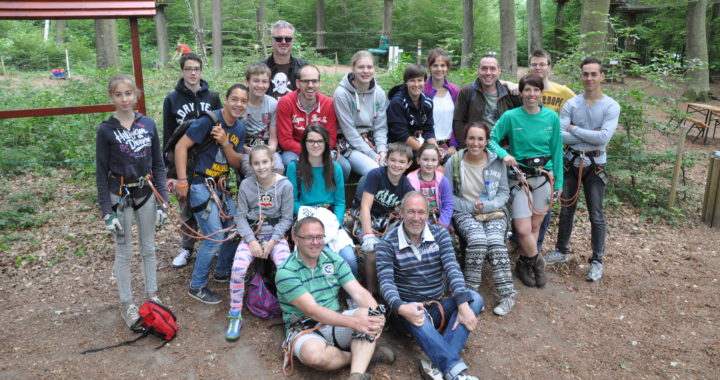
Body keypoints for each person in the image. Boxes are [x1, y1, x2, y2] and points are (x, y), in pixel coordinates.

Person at [376, 192, 483, 380]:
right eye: (410, 212)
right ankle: (454, 372)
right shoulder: (387, 243)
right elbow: (386, 282)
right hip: (407, 310)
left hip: (436, 304)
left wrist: (462, 304)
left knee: (474, 299)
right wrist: (401, 307)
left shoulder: (440, 234)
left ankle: (435, 365)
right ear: (401, 212)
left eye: (421, 212)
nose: (416, 218)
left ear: (428, 214)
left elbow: (452, 268)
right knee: (417, 313)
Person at [275, 217, 396, 380]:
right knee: (315, 357)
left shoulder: (333, 259)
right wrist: (354, 323)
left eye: (319, 237)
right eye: (309, 237)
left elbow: (359, 292)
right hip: (304, 328)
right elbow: (313, 311)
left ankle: (356, 375)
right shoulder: (286, 272)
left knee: (368, 315)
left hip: (335, 321)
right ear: (296, 238)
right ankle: (363, 356)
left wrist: (376, 314)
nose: (316, 242)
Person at [96, 74, 169, 327]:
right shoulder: (106, 130)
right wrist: (108, 212)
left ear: (136, 95)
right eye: (118, 94)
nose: (124, 99)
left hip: (146, 194)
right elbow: (101, 173)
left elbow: (159, 164)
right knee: (124, 252)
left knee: (148, 248)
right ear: (111, 97)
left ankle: (152, 296)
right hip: (120, 197)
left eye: (128, 93)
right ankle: (127, 304)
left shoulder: (147, 124)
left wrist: (164, 203)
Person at [546, 57, 620, 283]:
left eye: (593, 74)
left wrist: (574, 129)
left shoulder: (610, 106)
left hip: (596, 165)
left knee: (596, 214)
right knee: (567, 208)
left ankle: (597, 260)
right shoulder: (571, 104)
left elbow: (603, 138)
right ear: (581, 76)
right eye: (585, 74)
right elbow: (560, 134)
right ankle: (561, 249)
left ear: (602, 76)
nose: (589, 78)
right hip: (571, 162)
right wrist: (591, 134)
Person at [174, 84, 248, 304]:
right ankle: (196, 286)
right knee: (214, 236)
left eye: (243, 101)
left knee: (235, 229)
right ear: (225, 100)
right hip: (199, 183)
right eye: (234, 99)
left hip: (222, 185)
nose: (238, 104)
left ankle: (222, 271)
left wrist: (225, 143)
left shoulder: (239, 128)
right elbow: (181, 147)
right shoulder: (208, 121)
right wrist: (182, 181)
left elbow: (236, 163)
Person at [488, 73, 563, 289]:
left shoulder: (551, 118)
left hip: (545, 177)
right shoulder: (511, 117)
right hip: (520, 177)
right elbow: (491, 140)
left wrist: (558, 185)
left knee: (535, 226)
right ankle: (537, 263)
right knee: (521, 228)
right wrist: (504, 154)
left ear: (541, 93)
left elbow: (557, 151)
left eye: (535, 90)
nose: (531, 94)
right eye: (527, 90)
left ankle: (523, 264)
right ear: (521, 92)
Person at [444, 122, 517, 315]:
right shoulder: (454, 161)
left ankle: (507, 295)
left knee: (494, 242)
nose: (475, 143)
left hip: (493, 212)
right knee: (477, 241)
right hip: (465, 212)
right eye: (471, 138)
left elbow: (503, 192)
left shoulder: (496, 161)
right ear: (465, 139)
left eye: (480, 139)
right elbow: (447, 194)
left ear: (486, 141)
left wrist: (487, 206)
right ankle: (470, 295)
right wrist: (470, 207)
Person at [226, 145, 294, 341]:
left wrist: (272, 242)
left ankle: (291, 315)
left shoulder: (285, 185)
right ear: (251, 165)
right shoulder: (246, 185)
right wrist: (252, 241)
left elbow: (287, 218)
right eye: (256, 163)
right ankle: (235, 315)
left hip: (275, 236)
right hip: (252, 236)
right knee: (238, 268)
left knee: (285, 269)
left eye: (265, 162)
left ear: (272, 162)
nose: (261, 167)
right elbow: (240, 218)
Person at [163, 52, 223, 269]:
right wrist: (170, 173)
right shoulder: (172, 99)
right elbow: (169, 135)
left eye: (196, 69)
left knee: (213, 203)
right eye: (188, 69)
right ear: (182, 71)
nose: (192, 73)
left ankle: (214, 244)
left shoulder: (213, 98)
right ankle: (187, 247)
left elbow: (221, 126)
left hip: (208, 159)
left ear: (201, 71)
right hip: (183, 159)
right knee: (186, 204)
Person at [286, 124, 357, 276]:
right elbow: (292, 201)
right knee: (319, 255)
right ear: (304, 143)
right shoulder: (295, 168)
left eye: (320, 141)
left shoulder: (335, 168)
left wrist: (336, 222)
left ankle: (350, 295)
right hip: (306, 218)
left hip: (330, 219)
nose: (315, 145)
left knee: (349, 259)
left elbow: (340, 202)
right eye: (311, 141)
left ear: (326, 144)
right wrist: (313, 219)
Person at [528, 48, 576, 253]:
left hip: (553, 157)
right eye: (534, 64)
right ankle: (522, 242)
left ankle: (536, 247)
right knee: (523, 201)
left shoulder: (563, 93)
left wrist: (575, 131)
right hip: (526, 156)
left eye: (542, 64)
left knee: (545, 205)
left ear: (549, 67)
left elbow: (579, 110)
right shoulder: (525, 88)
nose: (538, 68)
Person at [356, 143, 415, 295]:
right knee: (372, 252)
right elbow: (365, 207)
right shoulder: (375, 175)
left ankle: (391, 288)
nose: (396, 165)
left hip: (389, 220)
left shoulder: (407, 186)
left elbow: (408, 212)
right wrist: (368, 234)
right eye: (393, 160)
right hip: (368, 216)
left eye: (402, 162)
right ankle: (371, 291)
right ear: (386, 160)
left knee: (395, 249)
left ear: (408, 164)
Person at [277, 65, 349, 179]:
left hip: (322, 148)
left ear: (320, 83)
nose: (310, 85)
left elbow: (331, 138)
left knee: (344, 167)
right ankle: (298, 195)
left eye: (314, 81)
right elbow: (285, 140)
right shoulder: (286, 102)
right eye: (305, 81)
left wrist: (317, 151)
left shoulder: (328, 104)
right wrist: (308, 152)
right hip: (294, 149)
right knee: (289, 163)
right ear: (298, 83)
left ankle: (329, 195)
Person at [333, 50, 389, 179]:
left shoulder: (379, 93)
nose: (366, 71)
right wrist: (373, 155)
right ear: (353, 68)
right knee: (375, 171)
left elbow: (380, 127)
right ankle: (359, 200)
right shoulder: (342, 94)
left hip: (372, 142)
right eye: (361, 67)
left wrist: (381, 150)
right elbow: (349, 131)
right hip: (349, 145)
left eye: (369, 67)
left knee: (393, 166)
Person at [452, 54, 522, 147]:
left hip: (505, 148)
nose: (488, 73)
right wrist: (464, 147)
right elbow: (458, 121)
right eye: (484, 68)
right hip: (477, 147)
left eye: (493, 69)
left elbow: (526, 116)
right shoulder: (468, 91)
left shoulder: (510, 92)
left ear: (499, 71)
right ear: (478, 70)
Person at [240, 62, 284, 178]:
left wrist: (269, 151)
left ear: (269, 84)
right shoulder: (240, 104)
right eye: (256, 81)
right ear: (247, 82)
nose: (260, 85)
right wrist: (252, 152)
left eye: (264, 81)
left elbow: (273, 140)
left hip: (267, 148)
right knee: (252, 170)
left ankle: (274, 195)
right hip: (246, 149)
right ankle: (253, 195)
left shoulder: (273, 104)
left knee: (278, 168)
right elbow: (236, 139)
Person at [387, 65, 436, 157]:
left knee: (443, 159)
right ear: (406, 82)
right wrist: (426, 152)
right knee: (428, 160)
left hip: (419, 144)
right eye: (412, 80)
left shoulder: (428, 102)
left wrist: (435, 149)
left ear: (425, 81)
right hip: (398, 147)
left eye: (420, 80)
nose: (416, 84)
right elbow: (402, 135)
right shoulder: (397, 103)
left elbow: (428, 129)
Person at [424, 47, 459, 161]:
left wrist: (453, 145)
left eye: (443, 65)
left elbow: (458, 120)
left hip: (449, 146)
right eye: (435, 65)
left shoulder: (454, 91)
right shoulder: (422, 90)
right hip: (427, 146)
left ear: (447, 68)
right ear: (429, 67)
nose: (439, 69)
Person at [406, 143, 453, 227]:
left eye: (433, 160)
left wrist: (441, 224)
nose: (429, 164)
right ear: (418, 160)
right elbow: (409, 206)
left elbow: (448, 205)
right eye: (425, 159)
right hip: (417, 219)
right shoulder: (411, 180)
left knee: (443, 238)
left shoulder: (443, 180)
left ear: (438, 161)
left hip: (439, 219)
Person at [262, 20, 308, 99]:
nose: (283, 42)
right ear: (271, 40)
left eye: (288, 39)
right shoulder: (260, 68)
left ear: (293, 40)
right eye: (279, 39)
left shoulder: (304, 67)